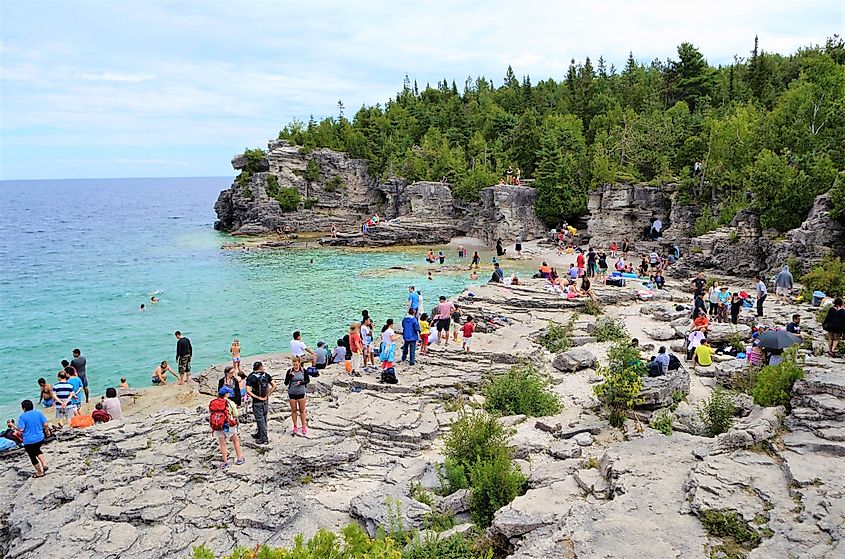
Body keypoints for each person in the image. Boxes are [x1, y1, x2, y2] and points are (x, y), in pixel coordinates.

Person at [210, 386, 245, 468]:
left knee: (222, 444)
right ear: (226, 394)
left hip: (217, 424)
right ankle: (239, 458)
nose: (229, 394)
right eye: (228, 392)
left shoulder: (213, 402)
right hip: (228, 424)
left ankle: (225, 462)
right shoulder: (230, 403)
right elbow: (236, 414)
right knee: (235, 440)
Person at [17, 400, 49, 478]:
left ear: (23, 408)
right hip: (40, 438)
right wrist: (47, 431)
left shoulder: (22, 416)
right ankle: (44, 464)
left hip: (29, 441)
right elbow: (45, 424)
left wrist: (12, 425)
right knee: (37, 450)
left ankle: (39, 472)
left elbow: (21, 429)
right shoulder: (39, 413)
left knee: (32, 455)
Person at [245, 361, 275, 445]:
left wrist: (257, 397)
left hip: (257, 401)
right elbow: (274, 386)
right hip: (265, 399)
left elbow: (248, 390)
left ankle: (264, 438)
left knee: (259, 419)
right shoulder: (266, 375)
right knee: (264, 418)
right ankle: (260, 433)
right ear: (261, 367)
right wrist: (267, 395)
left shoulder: (251, 377)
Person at [284, 357, 310, 436]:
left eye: (296, 364)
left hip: (301, 392)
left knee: (302, 410)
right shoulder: (290, 371)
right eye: (294, 364)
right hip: (292, 393)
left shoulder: (303, 371)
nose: (295, 366)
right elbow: (285, 383)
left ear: (299, 363)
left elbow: (307, 380)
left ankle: (303, 426)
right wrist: (290, 376)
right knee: (294, 410)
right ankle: (295, 426)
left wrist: (301, 383)